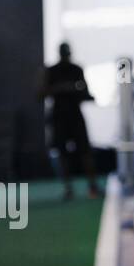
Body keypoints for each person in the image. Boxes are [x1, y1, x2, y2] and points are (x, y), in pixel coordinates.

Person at [39, 42, 102, 201]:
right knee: (62, 153)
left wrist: (75, 90)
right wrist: (60, 89)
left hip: (75, 115)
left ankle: (92, 185)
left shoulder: (76, 69)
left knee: (85, 151)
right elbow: (40, 93)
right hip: (59, 117)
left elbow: (86, 92)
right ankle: (68, 188)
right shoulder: (51, 71)